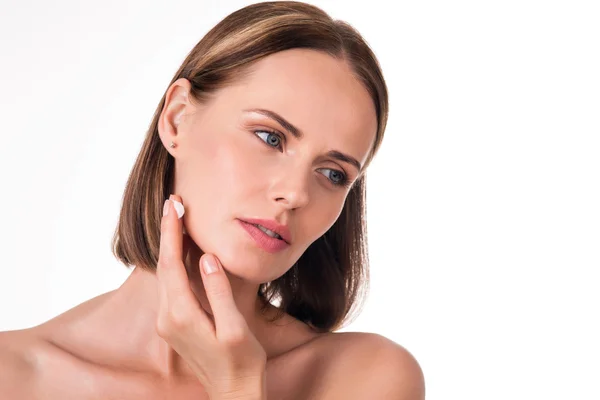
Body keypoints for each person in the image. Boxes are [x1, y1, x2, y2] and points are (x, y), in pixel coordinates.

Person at [0, 1, 425, 399]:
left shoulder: (364, 378)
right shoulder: (14, 375)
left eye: (333, 174)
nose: (295, 194)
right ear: (177, 118)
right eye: (269, 137)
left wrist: (236, 385)